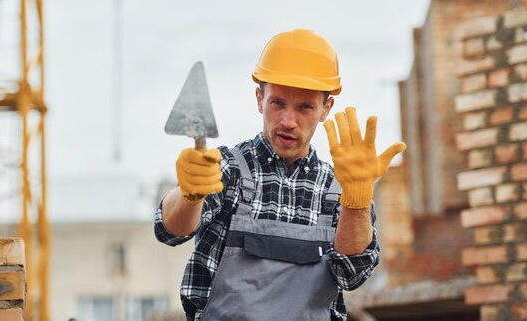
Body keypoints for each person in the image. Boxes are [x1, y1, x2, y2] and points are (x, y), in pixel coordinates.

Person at [154, 28, 406, 321]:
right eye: (277, 103)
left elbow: (353, 275)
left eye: (304, 108)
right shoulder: (226, 169)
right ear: (259, 98)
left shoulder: (339, 189)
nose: (288, 121)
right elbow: (169, 230)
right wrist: (188, 194)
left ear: (326, 108)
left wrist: (357, 202)